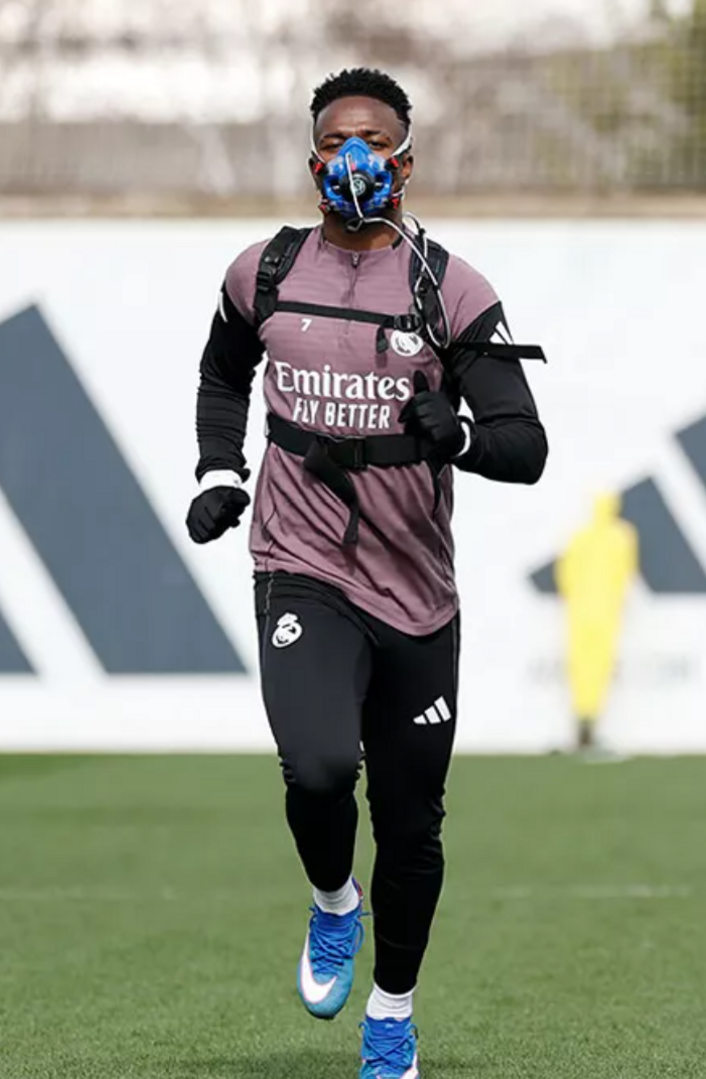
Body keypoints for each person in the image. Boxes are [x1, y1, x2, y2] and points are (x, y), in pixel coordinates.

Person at [186, 66, 548, 1079]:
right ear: (312, 162)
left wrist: (461, 431)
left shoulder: (451, 287)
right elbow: (224, 370)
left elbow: (527, 444)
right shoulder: (261, 272)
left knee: (412, 820)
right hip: (298, 562)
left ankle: (393, 1010)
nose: (357, 158)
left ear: (406, 159)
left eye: (376, 140)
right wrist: (222, 469)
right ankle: (333, 899)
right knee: (314, 767)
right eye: (339, 140)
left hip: (417, 596)